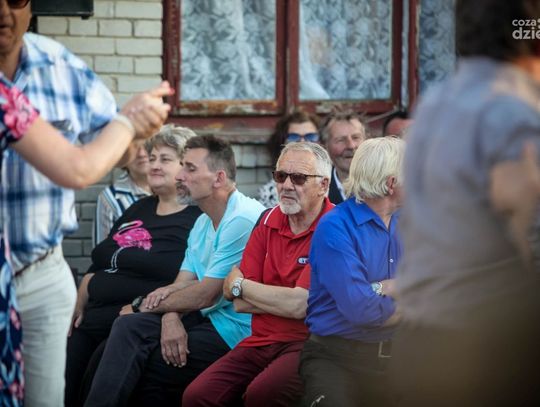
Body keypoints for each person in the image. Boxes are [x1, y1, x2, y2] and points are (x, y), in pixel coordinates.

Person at [0, 2, 171, 405]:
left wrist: (130, 134)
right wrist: (129, 120)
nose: (3, 10)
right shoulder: (7, 99)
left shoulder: (58, 65)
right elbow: (78, 169)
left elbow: (116, 149)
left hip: (39, 270)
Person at [393, 0, 540, 405]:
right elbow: (529, 232)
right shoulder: (512, 111)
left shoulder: (435, 103)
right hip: (486, 346)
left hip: (424, 334)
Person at [83, 135, 265, 407]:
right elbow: (180, 284)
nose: (180, 176)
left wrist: (141, 305)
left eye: (189, 168)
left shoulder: (241, 218)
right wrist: (169, 317)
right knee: (126, 326)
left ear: (218, 178)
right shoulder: (202, 222)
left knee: (153, 361)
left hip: (238, 329)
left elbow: (206, 294)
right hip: (206, 317)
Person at [182, 142, 334, 407]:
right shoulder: (266, 220)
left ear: (323, 185)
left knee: (260, 395)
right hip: (259, 341)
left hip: (311, 344)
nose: (286, 185)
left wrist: (241, 286)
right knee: (197, 395)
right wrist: (276, 298)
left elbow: (299, 305)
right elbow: (239, 304)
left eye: (298, 178)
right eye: (280, 176)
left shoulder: (335, 226)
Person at [65, 126, 202, 406]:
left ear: (186, 167)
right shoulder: (138, 208)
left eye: (165, 159)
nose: (154, 165)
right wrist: (81, 293)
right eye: (152, 158)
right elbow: (99, 260)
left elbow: (193, 279)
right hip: (90, 316)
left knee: (93, 382)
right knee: (60, 379)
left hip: (130, 320)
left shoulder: (196, 218)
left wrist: (155, 309)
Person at [300, 137, 404, 407]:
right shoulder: (335, 227)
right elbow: (363, 310)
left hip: (400, 356)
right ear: (392, 184)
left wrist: (387, 289)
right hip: (338, 358)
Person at [258, 110, 320, 208]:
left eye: (311, 136)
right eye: (294, 137)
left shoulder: (335, 179)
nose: (302, 142)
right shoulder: (270, 193)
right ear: (283, 142)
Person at [93, 145, 151, 245]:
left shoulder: (174, 190)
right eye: (133, 147)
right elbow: (101, 251)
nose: (141, 154)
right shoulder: (109, 199)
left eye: (146, 145)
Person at [319, 110, 366, 204]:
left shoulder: (386, 186)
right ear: (325, 146)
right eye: (341, 140)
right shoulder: (318, 193)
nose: (351, 146)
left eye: (356, 137)